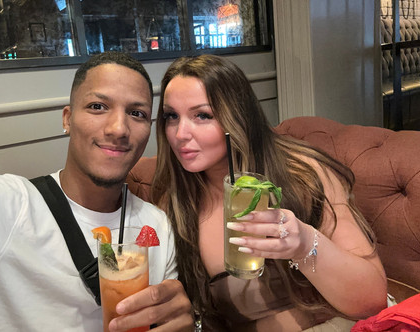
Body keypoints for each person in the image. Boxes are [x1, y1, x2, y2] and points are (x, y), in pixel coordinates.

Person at [0, 51, 193, 331]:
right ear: (67, 119)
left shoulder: (156, 227)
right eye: (97, 106)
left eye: (136, 113)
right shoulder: (2, 204)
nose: (119, 128)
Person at [151, 55, 387, 331]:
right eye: (171, 116)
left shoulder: (303, 175)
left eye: (202, 115)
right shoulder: (175, 206)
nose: (180, 133)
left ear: (238, 117)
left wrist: (304, 244)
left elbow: (372, 299)